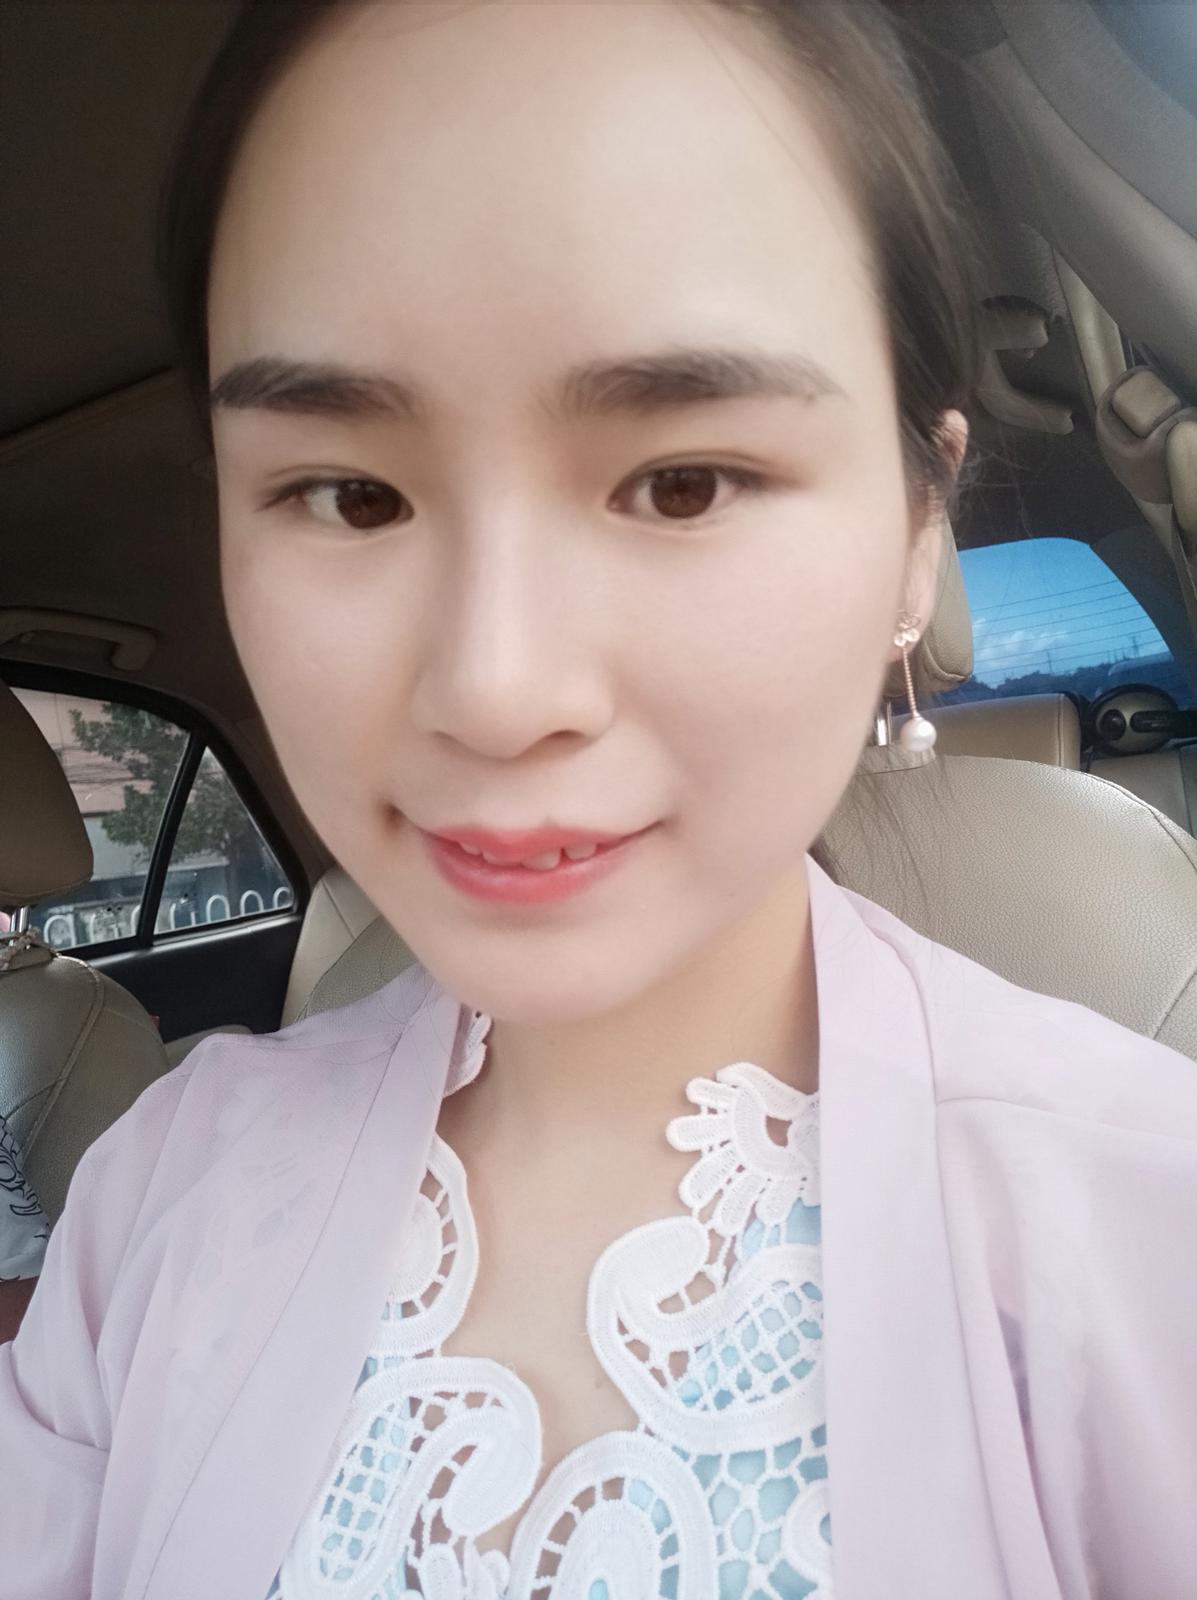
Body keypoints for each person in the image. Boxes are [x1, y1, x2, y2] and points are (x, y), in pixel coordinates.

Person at [2, 2, 1195, 1596]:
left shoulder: (1148, 1238)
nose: (494, 688)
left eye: (681, 482)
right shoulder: (149, 1204)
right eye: (348, 495)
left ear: (918, 527)